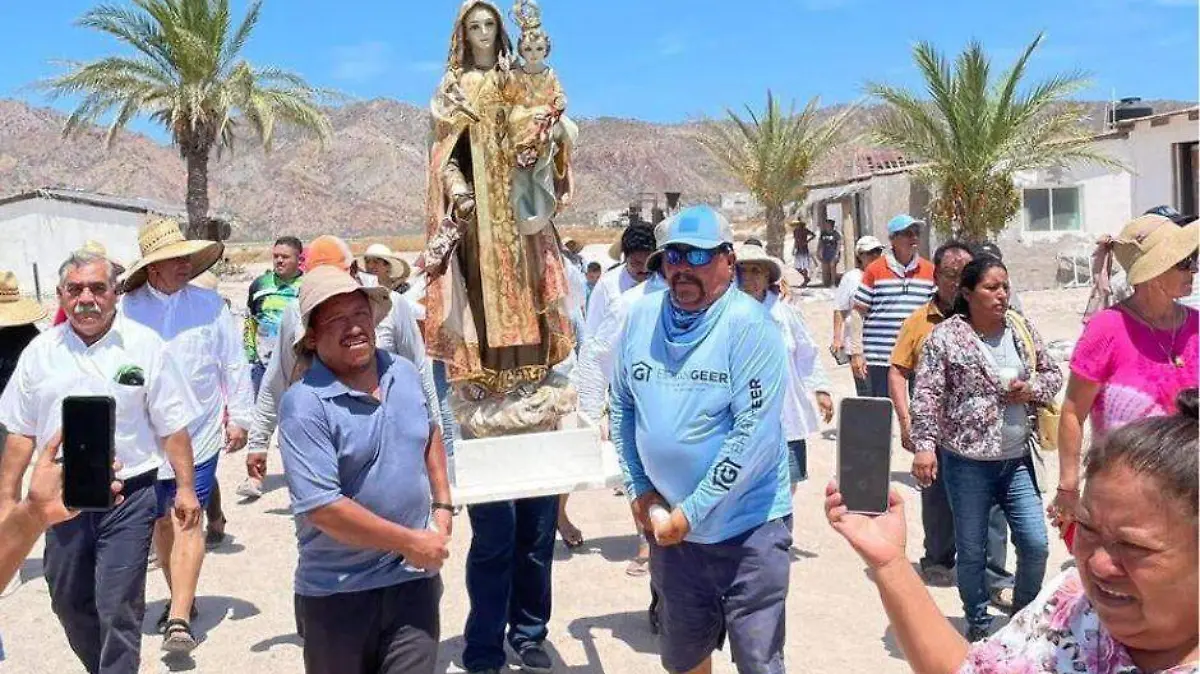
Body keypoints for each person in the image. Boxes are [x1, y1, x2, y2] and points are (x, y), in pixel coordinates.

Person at [825, 389, 1199, 674]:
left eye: (1132, 546)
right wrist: (890, 562)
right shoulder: (1070, 603)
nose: (1099, 564)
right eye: (1087, 527)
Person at [611, 206, 793, 674]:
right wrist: (639, 489)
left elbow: (751, 436)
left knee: (758, 662)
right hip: (673, 533)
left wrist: (691, 512)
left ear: (729, 261)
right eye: (672, 256)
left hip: (748, 529)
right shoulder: (640, 318)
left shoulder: (749, 327)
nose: (683, 268)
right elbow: (623, 407)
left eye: (698, 256)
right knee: (685, 658)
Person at [0, 250, 200, 674]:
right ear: (60, 295)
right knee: (67, 601)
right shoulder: (40, 352)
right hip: (58, 498)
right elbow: (20, 431)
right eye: (75, 289)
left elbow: (172, 427)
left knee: (118, 603)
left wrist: (185, 486)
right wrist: (7, 497)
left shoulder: (146, 346)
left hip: (129, 495)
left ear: (115, 293)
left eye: (97, 288)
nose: (86, 298)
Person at [278, 266, 451, 674]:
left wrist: (442, 507)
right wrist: (410, 541)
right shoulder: (304, 405)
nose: (354, 327)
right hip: (337, 594)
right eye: (336, 319)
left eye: (360, 314)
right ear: (313, 337)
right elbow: (324, 509)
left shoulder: (403, 373)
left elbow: (430, 433)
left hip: (413, 584)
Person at [910, 256, 1063, 641]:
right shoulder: (945, 337)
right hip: (967, 462)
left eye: (1005, 287)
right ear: (967, 292)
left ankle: (1022, 620)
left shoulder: (1020, 329)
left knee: (1035, 543)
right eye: (991, 288)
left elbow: (1052, 373)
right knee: (973, 549)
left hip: (1016, 459)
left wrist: (1030, 391)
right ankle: (978, 625)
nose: (1001, 295)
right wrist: (925, 446)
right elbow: (927, 395)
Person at [119, 217, 253, 651]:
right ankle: (184, 596)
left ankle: (178, 618)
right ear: (152, 268)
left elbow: (232, 363)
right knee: (162, 521)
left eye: (186, 258)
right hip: (145, 440)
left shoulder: (210, 306)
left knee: (187, 515)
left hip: (199, 433)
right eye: (173, 260)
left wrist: (241, 417)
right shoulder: (127, 311)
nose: (184, 265)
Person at [241, 236, 441, 501]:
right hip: (329, 438)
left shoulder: (392, 307)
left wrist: (437, 459)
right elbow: (278, 378)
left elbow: (419, 373)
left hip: (390, 438)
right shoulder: (295, 313)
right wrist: (258, 441)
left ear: (353, 272)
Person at [888, 242, 1016, 606]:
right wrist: (907, 421)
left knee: (993, 503)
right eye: (950, 275)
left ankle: (995, 577)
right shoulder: (919, 322)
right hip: (939, 434)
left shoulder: (995, 321)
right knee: (939, 497)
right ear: (937, 276)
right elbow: (898, 372)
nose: (958, 281)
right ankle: (940, 558)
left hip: (987, 433)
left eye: (965, 274)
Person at [1053, 213, 1198, 528]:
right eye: (1184, 262)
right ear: (1154, 272)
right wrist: (1068, 487)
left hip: (1191, 494)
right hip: (1127, 495)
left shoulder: (1197, 326)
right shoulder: (1107, 329)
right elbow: (1073, 411)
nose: (1194, 269)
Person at [736, 242, 833, 490]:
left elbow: (806, 353)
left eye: (755, 271)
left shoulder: (785, 314)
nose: (748, 278)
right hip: (744, 418)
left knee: (788, 484)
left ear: (767, 276)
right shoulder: (726, 314)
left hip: (787, 415)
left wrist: (820, 389)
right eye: (742, 272)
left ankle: (781, 527)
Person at [854, 214, 935, 398]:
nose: (914, 238)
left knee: (922, 412)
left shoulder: (930, 271)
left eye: (916, 233)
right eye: (908, 233)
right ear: (893, 239)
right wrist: (857, 352)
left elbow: (936, 315)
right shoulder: (875, 270)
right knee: (882, 412)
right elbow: (858, 313)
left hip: (919, 356)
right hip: (881, 356)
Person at [244, 236, 304, 395]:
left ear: (299, 259)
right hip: (263, 366)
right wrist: (250, 357)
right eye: (276, 256)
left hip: (298, 367)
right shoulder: (260, 284)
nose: (279, 260)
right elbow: (250, 320)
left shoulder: (308, 286)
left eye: (285, 257)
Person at [832, 236, 883, 397]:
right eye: (870, 252)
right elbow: (840, 309)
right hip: (857, 344)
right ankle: (869, 422)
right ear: (860, 255)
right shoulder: (851, 278)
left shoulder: (886, 275)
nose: (875, 256)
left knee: (883, 393)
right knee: (866, 392)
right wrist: (837, 338)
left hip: (881, 345)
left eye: (878, 251)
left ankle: (880, 422)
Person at [585, 223, 655, 337]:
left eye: (649, 263)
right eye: (637, 263)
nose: (644, 269)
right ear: (625, 258)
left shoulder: (664, 282)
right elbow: (592, 331)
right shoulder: (607, 286)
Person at [817, 218, 843, 287]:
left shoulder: (835, 234)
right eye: (826, 224)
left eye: (828, 224)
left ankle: (833, 283)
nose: (826, 226)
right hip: (826, 252)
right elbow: (820, 242)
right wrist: (818, 251)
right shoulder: (823, 233)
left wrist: (837, 253)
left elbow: (839, 243)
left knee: (832, 267)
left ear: (831, 225)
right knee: (826, 268)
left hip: (833, 252)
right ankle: (827, 282)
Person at [791, 220, 814, 287]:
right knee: (797, 267)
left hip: (804, 249)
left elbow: (813, 235)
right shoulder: (795, 231)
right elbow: (795, 240)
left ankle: (805, 280)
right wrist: (794, 248)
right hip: (798, 249)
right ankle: (805, 278)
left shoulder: (805, 230)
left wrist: (807, 241)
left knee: (804, 266)